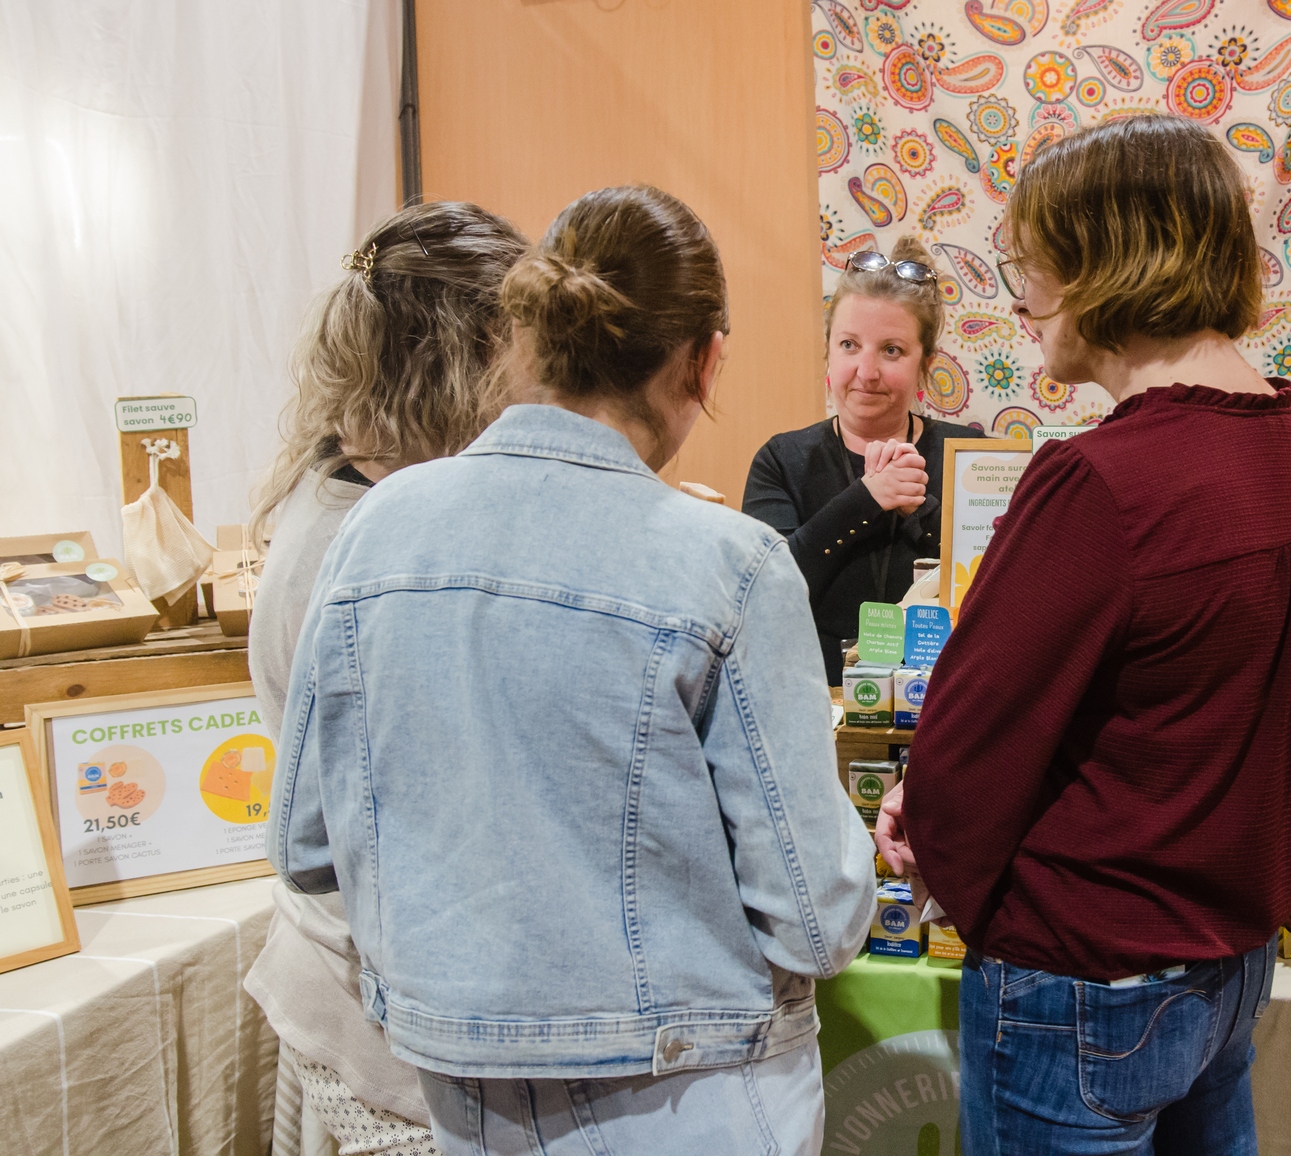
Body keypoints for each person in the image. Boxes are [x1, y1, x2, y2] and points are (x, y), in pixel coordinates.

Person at [268, 184, 875, 1155]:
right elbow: (817, 918)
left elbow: (307, 843)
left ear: (525, 332)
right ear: (705, 360)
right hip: (695, 1095)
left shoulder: (378, 527)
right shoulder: (729, 565)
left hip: (465, 1096)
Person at [875, 115, 1291, 1154]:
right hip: (1229, 965)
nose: (1019, 298)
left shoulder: (1104, 482)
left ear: (1105, 261)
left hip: (1083, 975)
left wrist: (936, 844)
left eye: (1032, 264)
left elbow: (969, 745)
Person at [244, 200, 527, 1156]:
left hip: (358, 972)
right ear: (469, 361)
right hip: (385, 1017)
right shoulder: (371, 549)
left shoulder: (351, 489)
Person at [743, 237, 984, 684]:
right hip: (814, 703)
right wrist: (865, 499)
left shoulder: (969, 457)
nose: (867, 372)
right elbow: (764, 589)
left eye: (891, 350)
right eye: (850, 345)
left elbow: (999, 594)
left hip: (940, 703)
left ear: (925, 364)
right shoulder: (782, 460)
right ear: (828, 350)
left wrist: (922, 510)